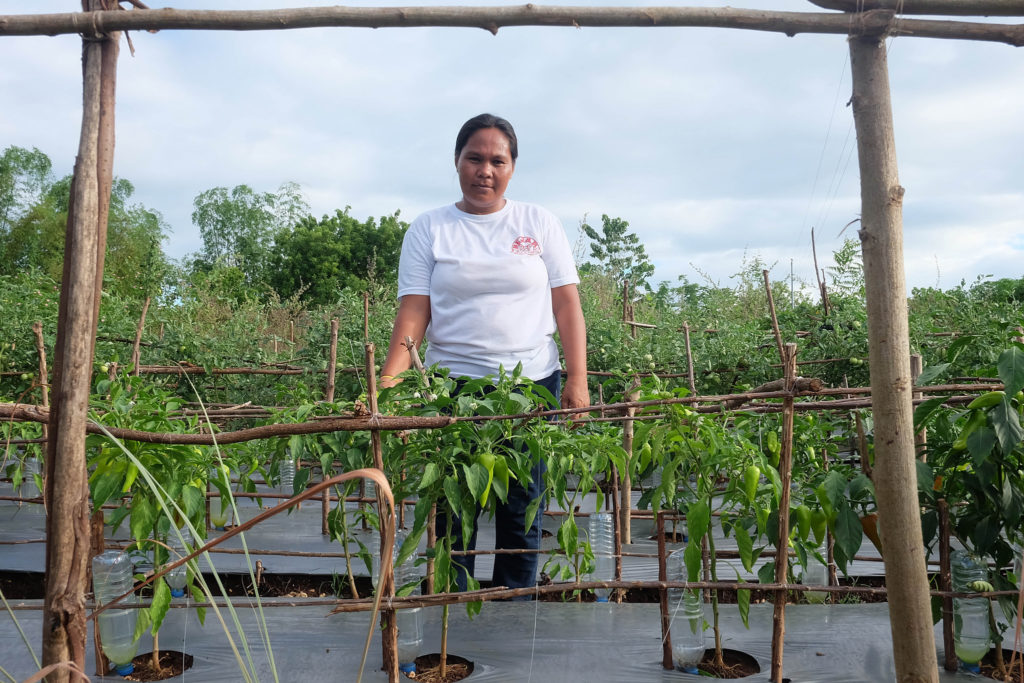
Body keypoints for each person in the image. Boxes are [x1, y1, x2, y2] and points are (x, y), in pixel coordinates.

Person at [378, 113, 590, 593]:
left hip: (532, 385)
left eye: (498, 160)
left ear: (513, 167)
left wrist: (576, 379)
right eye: (474, 158)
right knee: (454, 509)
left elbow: (566, 303)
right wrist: (387, 388)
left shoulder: (537, 222)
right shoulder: (430, 228)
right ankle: (455, 615)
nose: (485, 170)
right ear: (457, 162)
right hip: (453, 390)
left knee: (523, 506)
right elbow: (413, 314)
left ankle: (511, 618)